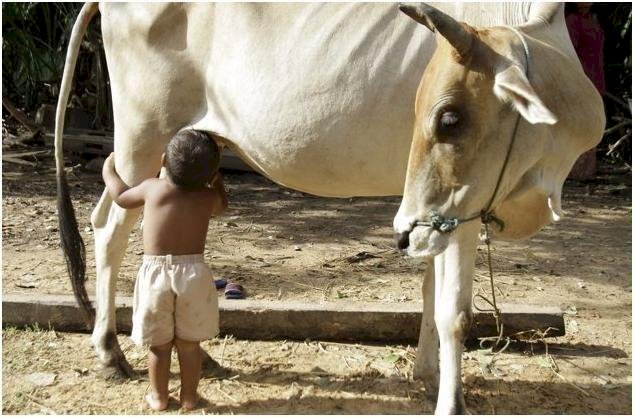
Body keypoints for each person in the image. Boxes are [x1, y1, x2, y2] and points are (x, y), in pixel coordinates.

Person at [102, 129, 228, 410]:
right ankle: (190, 398)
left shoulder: (151, 188)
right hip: (193, 276)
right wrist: (216, 181)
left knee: (159, 346)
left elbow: (121, 197)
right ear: (211, 173)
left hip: (155, 276)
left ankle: (159, 397)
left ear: (162, 161)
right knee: (189, 345)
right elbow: (222, 205)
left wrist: (108, 170)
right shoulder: (208, 197)